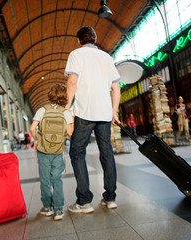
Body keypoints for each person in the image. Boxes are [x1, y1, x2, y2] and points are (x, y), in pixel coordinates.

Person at [64, 26, 121, 213]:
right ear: (94, 39)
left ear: (79, 40)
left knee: (77, 152)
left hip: (85, 112)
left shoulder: (76, 54)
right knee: (107, 152)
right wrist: (114, 112)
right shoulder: (107, 57)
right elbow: (116, 88)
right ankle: (110, 198)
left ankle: (84, 201)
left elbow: (72, 82)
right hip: (104, 112)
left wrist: (66, 108)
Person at [30, 84, 74, 221]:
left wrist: (38, 139)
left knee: (44, 179)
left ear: (50, 95)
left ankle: (48, 207)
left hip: (43, 150)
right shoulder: (66, 113)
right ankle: (59, 210)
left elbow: (32, 129)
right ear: (64, 97)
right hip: (57, 151)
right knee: (56, 179)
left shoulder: (42, 110)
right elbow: (70, 132)